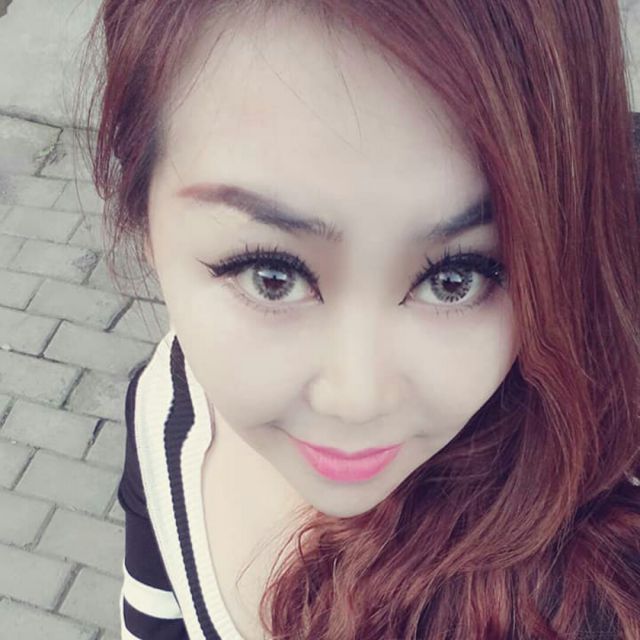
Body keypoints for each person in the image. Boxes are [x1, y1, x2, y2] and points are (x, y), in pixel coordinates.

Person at [79, 1, 640, 638]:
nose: (358, 400)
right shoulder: (166, 413)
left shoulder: (597, 591)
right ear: (142, 223)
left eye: (455, 280)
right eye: (272, 275)